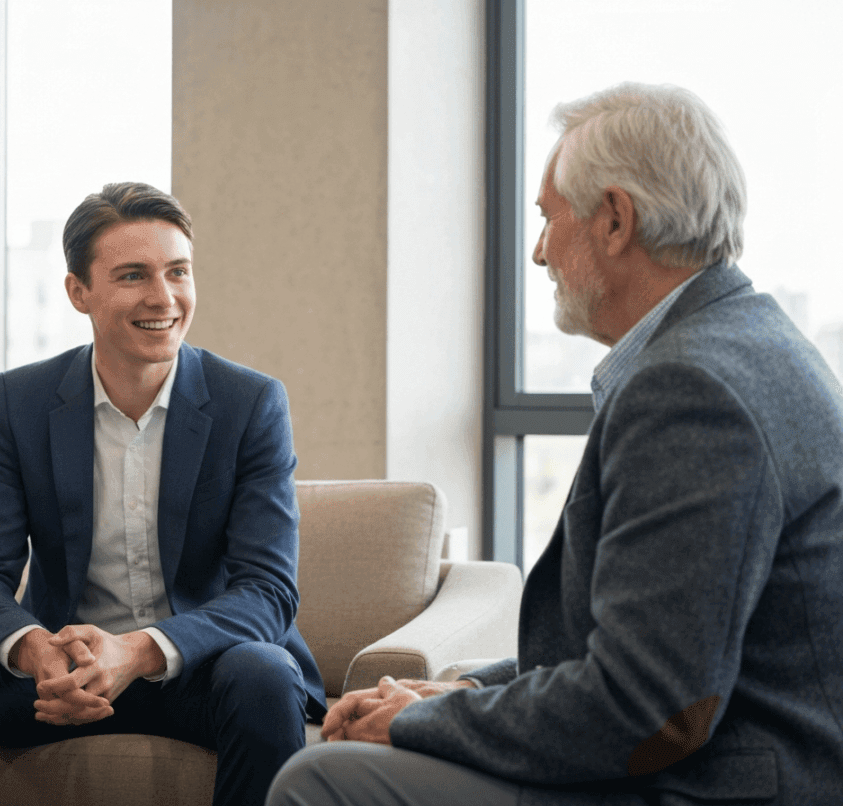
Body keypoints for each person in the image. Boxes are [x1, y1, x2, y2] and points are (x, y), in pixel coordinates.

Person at [268, 83, 843, 805]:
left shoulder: (690, 392)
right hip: (718, 753)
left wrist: (430, 718)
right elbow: (638, 653)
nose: (538, 252)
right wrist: (458, 690)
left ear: (613, 220)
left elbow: (646, 708)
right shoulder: (750, 340)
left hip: (713, 782)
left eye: (546, 218)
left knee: (318, 776)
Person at [0, 181, 326, 806]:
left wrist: (138, 652)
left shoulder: (250, 403)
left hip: (198, 672)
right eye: (132, 276)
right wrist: (36, 650)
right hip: (61, 676)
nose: (163, 297)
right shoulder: (22, 401)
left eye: (178, 271)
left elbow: (268, 590)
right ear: (78, 292)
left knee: (265, 673)